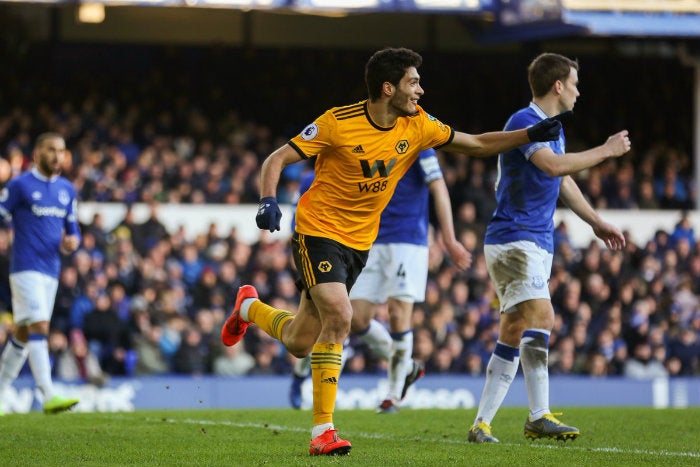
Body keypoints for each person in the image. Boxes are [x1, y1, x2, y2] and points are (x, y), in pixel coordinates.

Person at [221, 47, 563, 456]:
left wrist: (526, 136)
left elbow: (475, 144)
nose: (421, 89)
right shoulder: (337, 122)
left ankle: (248, 308)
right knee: (342, 315)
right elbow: (276, 159)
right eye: (413, 82)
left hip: (361, 242)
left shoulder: (418, 126)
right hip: (317, 230)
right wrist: (267, 200)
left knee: (299, 340)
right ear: (388, 88)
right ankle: (322, 432)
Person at [467, 52, 631, 443]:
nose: (578, 91)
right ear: (558, 86)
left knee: (513, 329)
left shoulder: (553, 128)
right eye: (574, 83)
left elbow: (563, 181)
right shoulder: (525, 122)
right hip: (516, 238)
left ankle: (481, 424)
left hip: (529, 240)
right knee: (543, 315)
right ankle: (538, 415)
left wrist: (596, 222)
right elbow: (554, 167)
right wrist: (606, 151)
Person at [288, 148, 471, 413]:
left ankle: (393, 395)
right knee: (354, 317)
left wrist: (448, 237)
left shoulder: (418, 145)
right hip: (366, 239)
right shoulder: (368, 144)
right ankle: (407, 369)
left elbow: (438, 185)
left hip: (407, 240)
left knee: (399, 313)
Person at [0, 132, 82, 415]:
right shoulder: (20, 185)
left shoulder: (67, 190)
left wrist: (73, 243)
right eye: (50, 150)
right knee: (40, 326)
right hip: (25, 267)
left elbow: (73, 232)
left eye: (61, 150)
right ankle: (47, 394)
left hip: (51, 271)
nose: (57, 156)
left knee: (23, 333)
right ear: (36, 154)